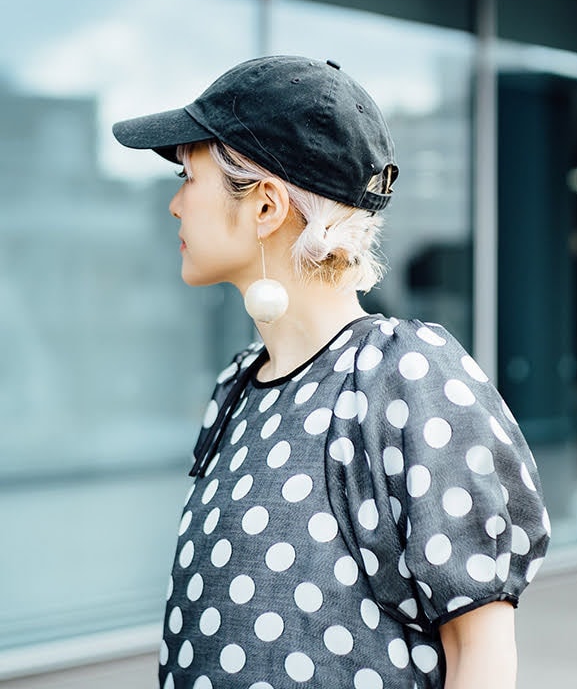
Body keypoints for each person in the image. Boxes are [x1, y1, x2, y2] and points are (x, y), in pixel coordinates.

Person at [113, 56, 550, 689]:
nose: (176, 204)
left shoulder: (403, 375)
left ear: (266, 206)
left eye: (188, 176)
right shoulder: (236, 387)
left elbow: (480, 652)